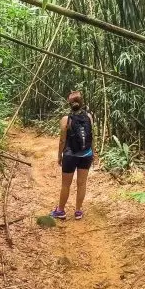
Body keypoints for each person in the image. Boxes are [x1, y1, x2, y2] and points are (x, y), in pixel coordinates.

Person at [50, 91, 93, 220]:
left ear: (69, 104)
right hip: (86, 154)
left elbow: (62, 140)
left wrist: (59, 155)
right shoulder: (89, 117)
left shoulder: (65, 119)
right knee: (82, 184)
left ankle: (61, 211)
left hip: (70, 155)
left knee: (66, 185)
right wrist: (93, 152)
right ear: (82, 103)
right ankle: (78, 211)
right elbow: (91, 136)